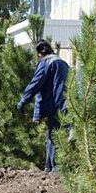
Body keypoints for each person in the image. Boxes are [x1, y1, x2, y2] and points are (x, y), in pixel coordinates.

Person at [16, 40, 69, 173]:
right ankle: (51, 167)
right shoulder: (64, 64)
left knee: (52, 136)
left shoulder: (46, 63)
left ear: (40, 54)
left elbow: (36, 85)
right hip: (66, 105)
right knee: (58, 136)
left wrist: (23, 101)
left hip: (54, 106)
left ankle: (52, 169)